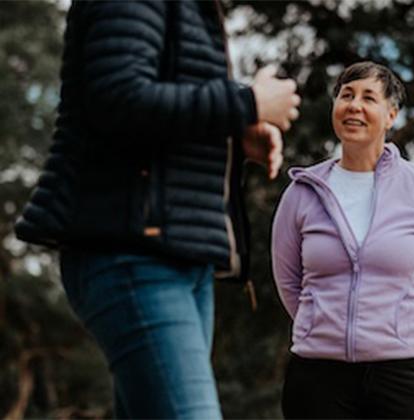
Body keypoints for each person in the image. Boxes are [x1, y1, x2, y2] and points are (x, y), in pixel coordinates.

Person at [15, 1, 300, 418]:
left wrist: (235, 134)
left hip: (180, 256)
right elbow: (118, 97)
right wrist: (246, 104)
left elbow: (154, 110)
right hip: (131, 254)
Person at [271, 61, 414, 419]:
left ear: (390, 115)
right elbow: (288, 281)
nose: (354, 105)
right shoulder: (301, 192)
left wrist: (391, 322)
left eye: (368, 97)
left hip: (403, 371)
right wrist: (324, 324)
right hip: (317, 376)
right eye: (346, 95)